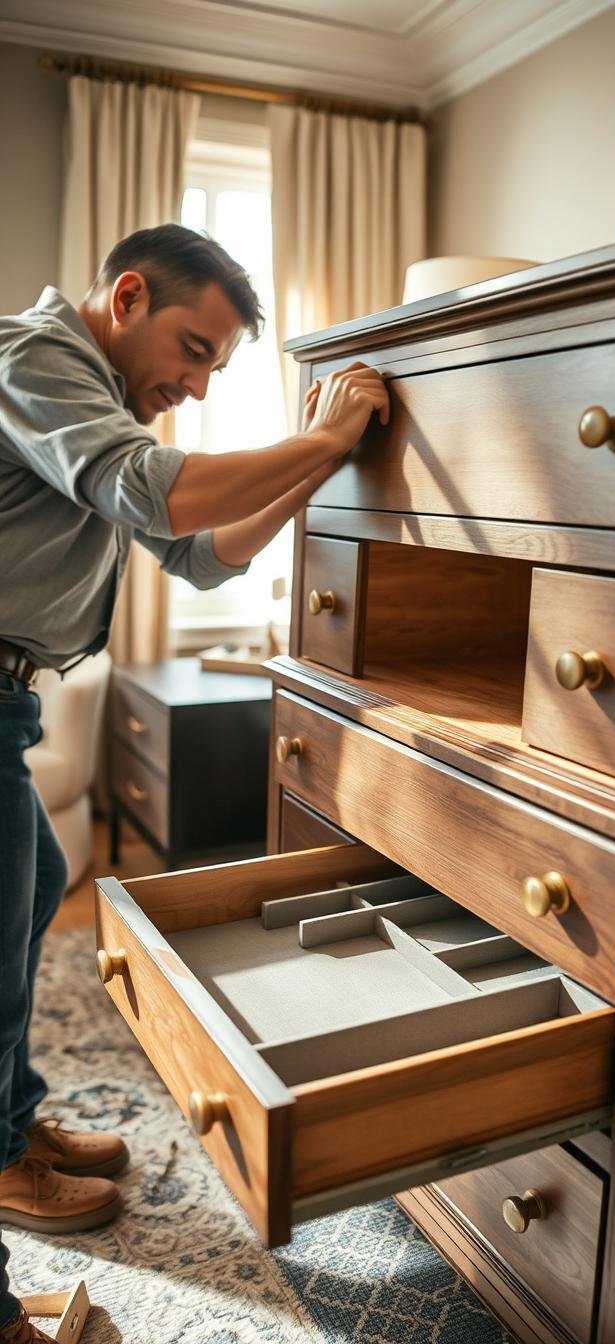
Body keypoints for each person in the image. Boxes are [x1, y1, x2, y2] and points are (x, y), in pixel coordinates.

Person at [0, 223, 389, 1343]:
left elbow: (204, 551)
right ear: (127, 297)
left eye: (219, 363)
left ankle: (11, 1136)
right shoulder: (31, 360)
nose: (201, 382)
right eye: (195, 347)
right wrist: (319, 438)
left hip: (6, 699)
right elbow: (158, 496)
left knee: (33, 885)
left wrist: (319, 462)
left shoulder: (106, 410)